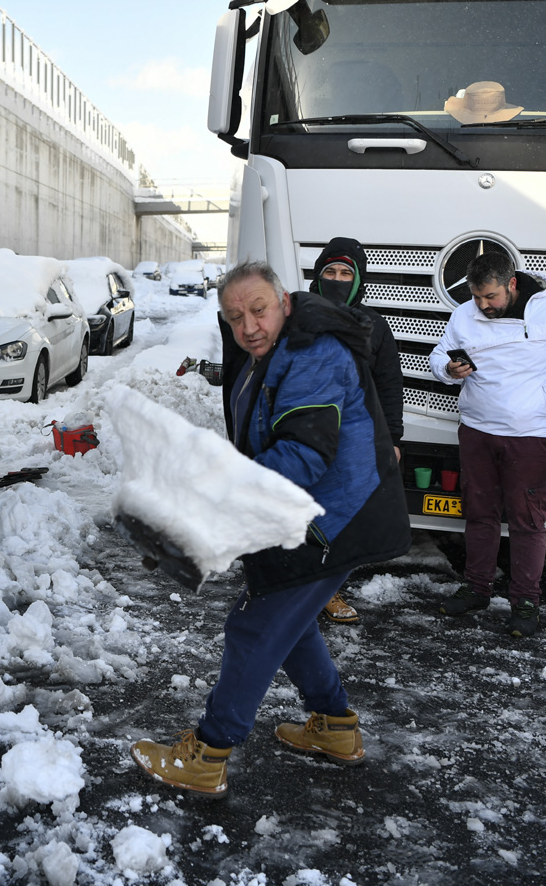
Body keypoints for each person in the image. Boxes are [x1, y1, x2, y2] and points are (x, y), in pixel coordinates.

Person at [133, 261, 410, 798]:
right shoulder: (275, 350)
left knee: (254, 628)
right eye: (235, 318)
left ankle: (208, 755)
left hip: (330, 521)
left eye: (258, 310)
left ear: (284, 301)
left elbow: (302, 456)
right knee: (292, 622)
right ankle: (334, 727)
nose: (249, 327)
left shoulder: (311, 353)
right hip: (307, 515)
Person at [430, 253, 546, 637]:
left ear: (512, 284)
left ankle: (525, 602)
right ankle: (476, 587)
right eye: (476, 297)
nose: (483, 305)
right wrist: (448, 370)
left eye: (490, 297)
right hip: (476, 430)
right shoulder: (464, 314)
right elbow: (440, 354)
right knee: (479, 514)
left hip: (529, 435)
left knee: (527, 522)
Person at [310, 237, 405, 625]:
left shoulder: (374, 326)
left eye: (345, 273)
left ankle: (327, 590)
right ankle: (293, 583)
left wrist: (393, 439)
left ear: (358, 280)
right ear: (317, 277)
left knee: (342, 517)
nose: (336, 279)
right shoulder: (297, 316)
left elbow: (388, 383)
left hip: (352, 438)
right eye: (329, 272)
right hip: (304, 434)